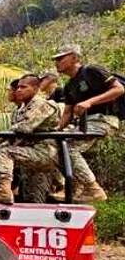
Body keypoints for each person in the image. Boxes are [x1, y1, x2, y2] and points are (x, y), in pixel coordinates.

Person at [52, 44, 124, 202]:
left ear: (74, 58)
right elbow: (67, 113)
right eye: (55, 60)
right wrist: (54, 131)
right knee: (55, 145)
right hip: (85, 123)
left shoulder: (91, 71)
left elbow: (118, 89)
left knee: (69, 147)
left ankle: (93, 188)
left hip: (104, 119)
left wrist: (89, 102)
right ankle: (75, 188)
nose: (57, 62)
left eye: (60, 58)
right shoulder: (69, 85)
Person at [0, 75, 62, 204]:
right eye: (18, 87)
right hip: (29, 155)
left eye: (23, 87)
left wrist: (1, 139)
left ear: (36, 89)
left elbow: (25, 127)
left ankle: (5, 191)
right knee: (29, 199)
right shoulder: (21, 109)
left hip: (45, 152)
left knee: (5, 151)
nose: (18, 90)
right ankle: (4, 190)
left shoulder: (43, 104)